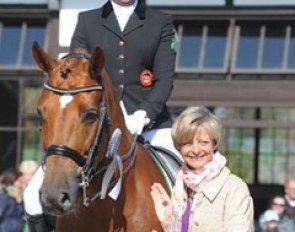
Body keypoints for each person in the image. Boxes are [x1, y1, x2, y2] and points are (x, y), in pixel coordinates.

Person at [24, 0, 178, 231]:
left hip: (150, 125)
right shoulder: (87, 20)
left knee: (189, 186)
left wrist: (144, 113)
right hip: (96, 122)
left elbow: (164, 79)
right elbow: (74, 70)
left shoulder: (160, 22)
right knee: (31, 198)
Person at [150, 106, 254, 232]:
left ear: (214, 144)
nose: (196, 150)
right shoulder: (177, 187)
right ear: (178, 147)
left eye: (203, 142)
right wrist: (167, 224)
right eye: (188, 143)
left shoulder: (235, 189)